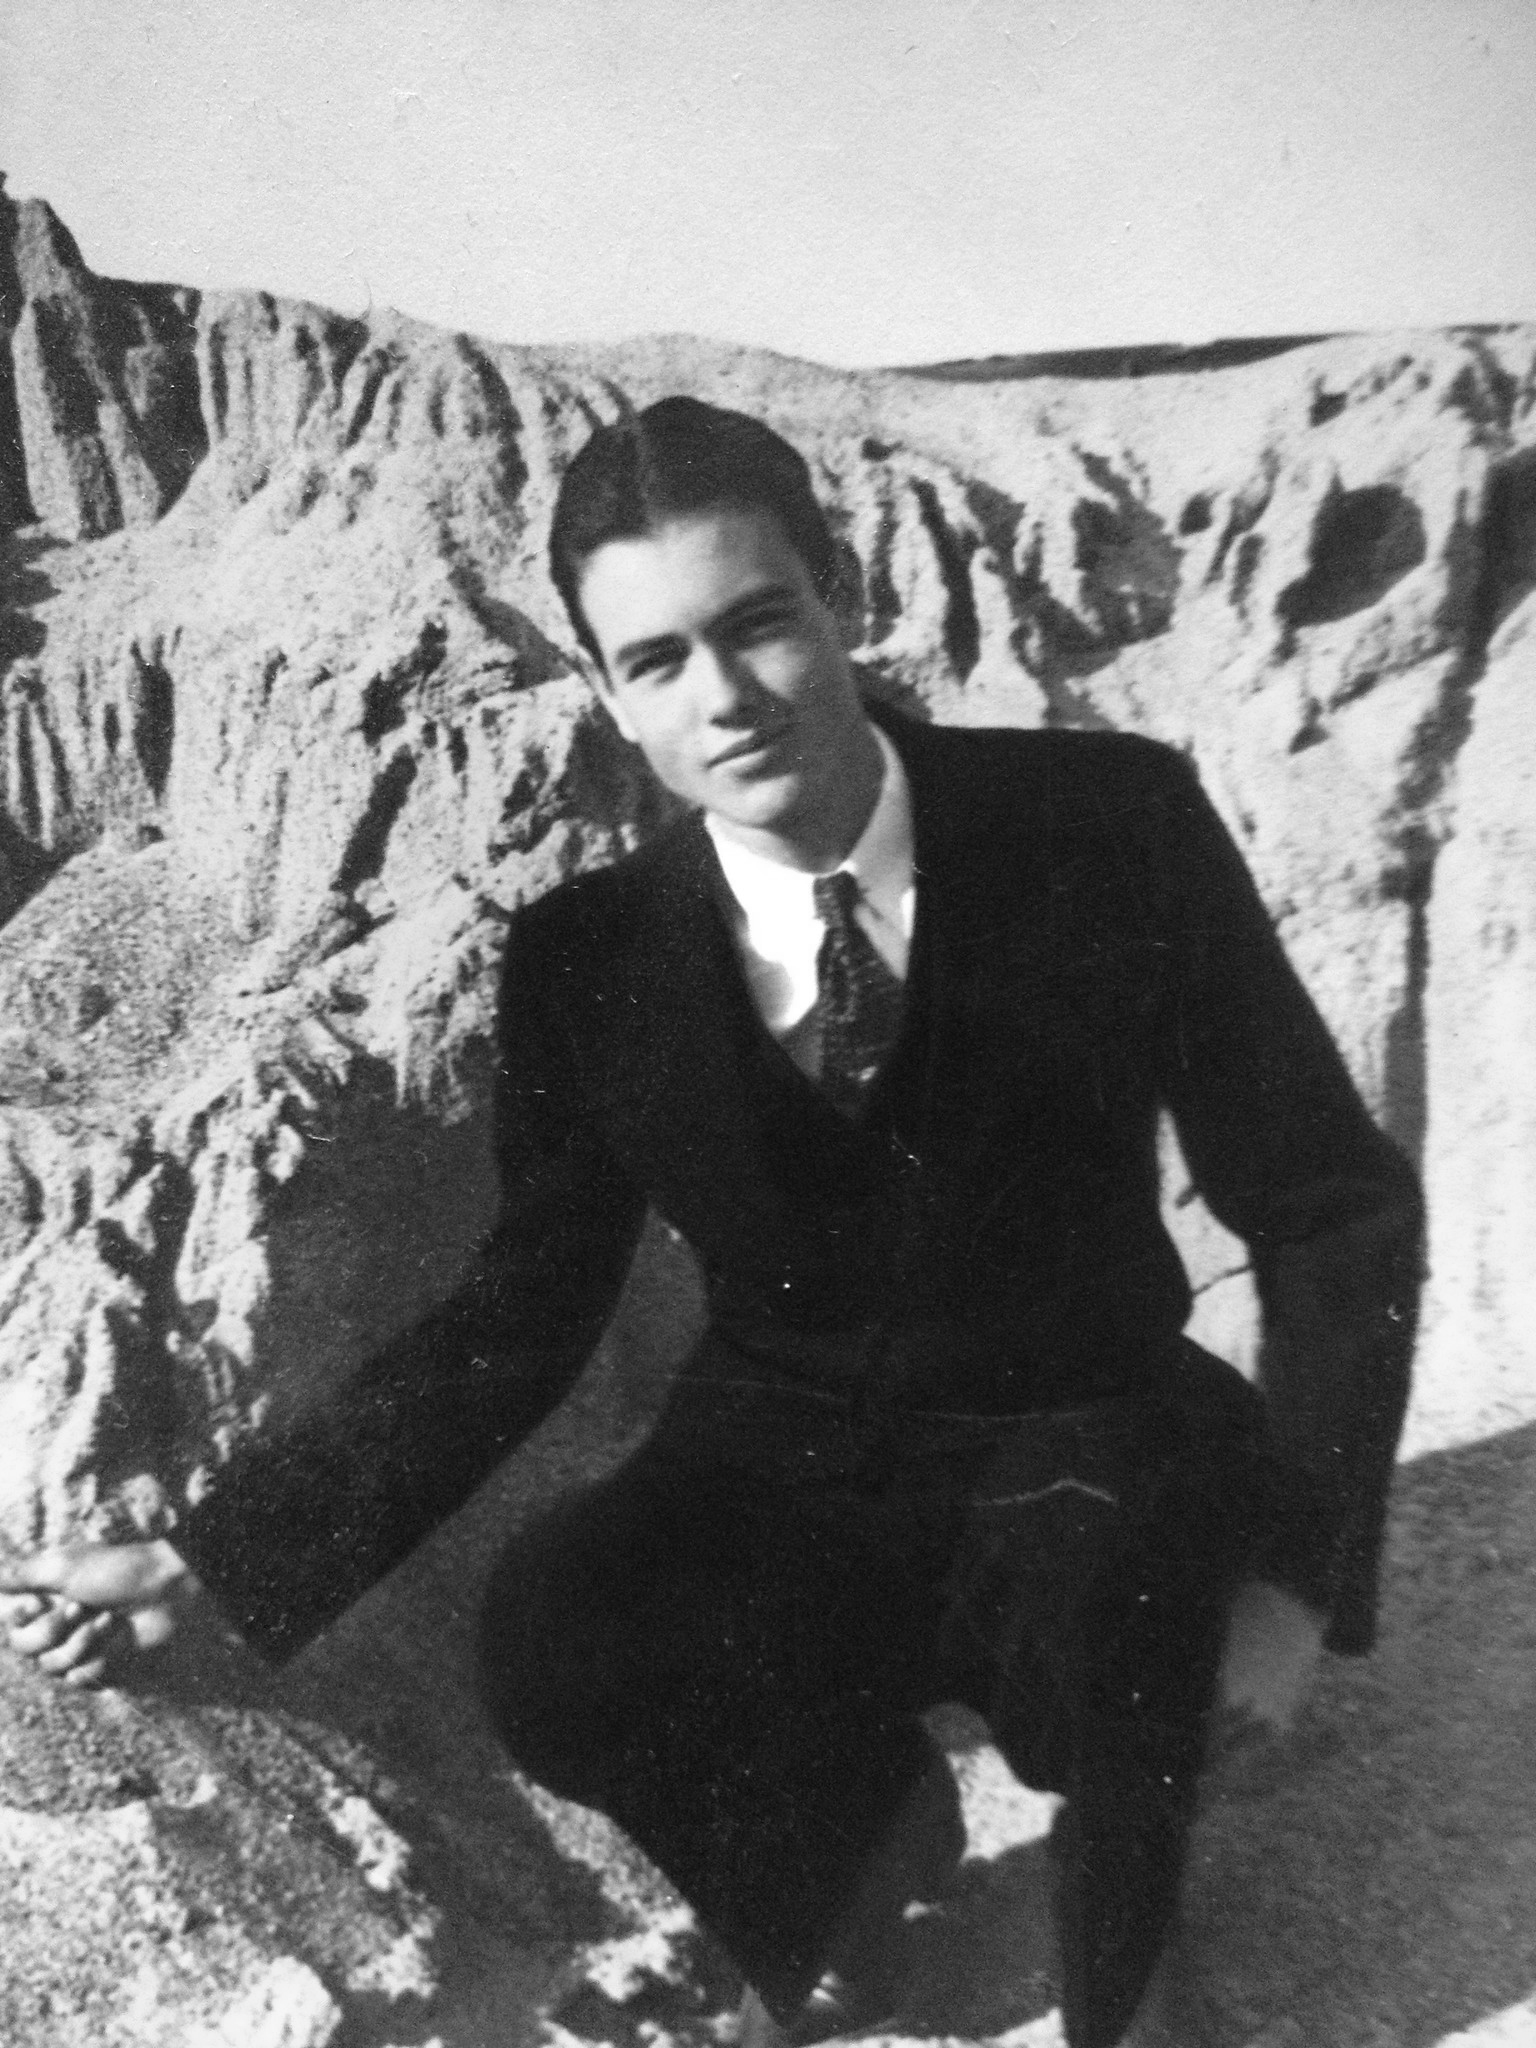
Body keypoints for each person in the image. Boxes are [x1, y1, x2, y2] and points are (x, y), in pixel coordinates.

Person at [1, 397, 1421, 2047]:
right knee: (563, 1636)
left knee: (1132, 1693)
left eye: (758, 626)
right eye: (658, 660)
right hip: (791, 1448)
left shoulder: (1109, 825)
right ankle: (846, 1879)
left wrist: (1297, 1588)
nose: (726, 698)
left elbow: (1327, 1204)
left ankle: (1136, 1946)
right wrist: (216, 1563)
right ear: (609, 691)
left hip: (1090, 1423)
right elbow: (520, 1313)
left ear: (846, 598)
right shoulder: (586, 960)